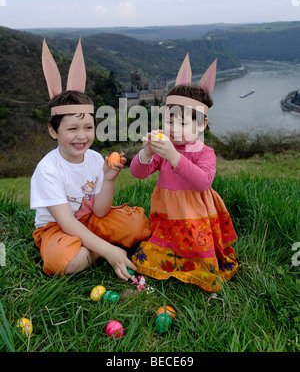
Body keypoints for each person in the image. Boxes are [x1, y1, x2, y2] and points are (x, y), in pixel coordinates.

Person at [30, 39, 150, 279]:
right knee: (65, 261)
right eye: (72, 129)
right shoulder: (48, 170)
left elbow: (101, 211)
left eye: (88, 127)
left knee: (138, 226)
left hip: (90, 219)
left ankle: (91, 246)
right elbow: (67, 223)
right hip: (56, 228)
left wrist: (108, 179)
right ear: (53, 131)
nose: (81, 136)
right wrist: (107, 250)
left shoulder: (94, 158)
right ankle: (94, 251)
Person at [130, 55, 238, 292]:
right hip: (168, 215)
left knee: (199, 255)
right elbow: (138, 173)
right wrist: (146, 152)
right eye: (169, 121)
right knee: (147, 255)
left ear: (201, 125)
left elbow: (202, 183)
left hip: (194, 215)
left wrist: (173, 156)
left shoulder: (204, 152)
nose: (173, 129)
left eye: (182, 123)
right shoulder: (164, 147)